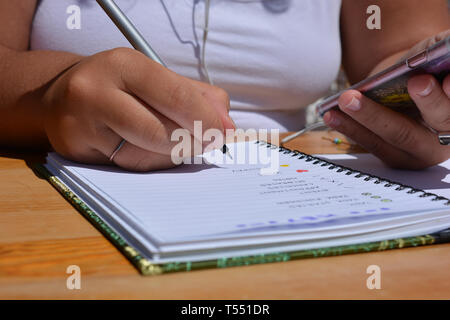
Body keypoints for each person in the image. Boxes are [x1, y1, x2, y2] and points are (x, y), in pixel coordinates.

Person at [0, 0, 448, 171]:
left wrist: (423, 100)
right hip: (51, 187)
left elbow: (404, 48)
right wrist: (50, 97)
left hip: (290, 185)